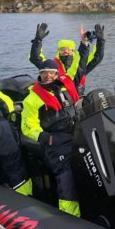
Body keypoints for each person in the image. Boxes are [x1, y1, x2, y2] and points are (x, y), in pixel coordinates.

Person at [21, 59, 80, 217]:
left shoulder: (65, 88)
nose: (47, 75)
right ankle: (69, 215)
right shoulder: (32, 100)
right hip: (55, 140)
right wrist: (45, 137)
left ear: (57, 74)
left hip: (74, 131)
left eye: (51, 72)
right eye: (44, 72)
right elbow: (27, 126)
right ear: (39, 74)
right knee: (66, 174)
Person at [29, 22, 105, 94]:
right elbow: (35, 58)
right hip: (57, 95)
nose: (66, 52)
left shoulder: (82, 63)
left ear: (73, 51)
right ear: (58, 51)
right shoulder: (52, 65)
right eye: (63, 49)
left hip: (77, 95)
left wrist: (100, 40)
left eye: (69, 49)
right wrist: (38, 41)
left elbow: (97, 56)